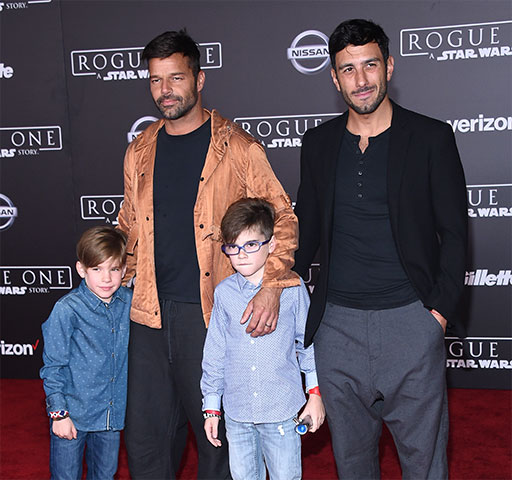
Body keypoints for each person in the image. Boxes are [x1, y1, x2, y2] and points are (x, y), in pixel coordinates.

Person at [117, 30, 299, 479]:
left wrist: (273, 285)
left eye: (176, 78)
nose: (165, 90)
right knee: (145, 443)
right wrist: (107, 275)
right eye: (156, 80)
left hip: (213, 313)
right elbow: (129, 226)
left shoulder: (238, 149)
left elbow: (283, 219)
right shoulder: (139, 151)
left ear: (199, 79)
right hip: (148, 314)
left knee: (217, 443)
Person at [294, 19, 467, 479]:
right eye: (348, 69)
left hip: (411, 321)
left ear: (389, 66)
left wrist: (436, 316)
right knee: (352, 465)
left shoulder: (430, 137)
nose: (361, 80)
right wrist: (273, 285)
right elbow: (305, 233)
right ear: (335, 78)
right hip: (336, 329)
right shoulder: (318, 144)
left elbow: (454, 234)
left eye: (370, 65)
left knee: (425, 465)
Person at [201, 198, 325, 480]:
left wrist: (315, 394)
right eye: (233, 247)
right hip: (237, 414)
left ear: (271, 245)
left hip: (281, 410)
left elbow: (308, 345)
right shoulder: (223, 293)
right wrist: (212, 407)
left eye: (251, 245)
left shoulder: (292, 288)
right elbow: (215, 353)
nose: (241, 255)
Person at [40, 226, 132, 480]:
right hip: (73, 414)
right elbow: (53, 366)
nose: (106, 278)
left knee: (105, 475)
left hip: (110, 416)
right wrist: (59, 414)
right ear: (81, 270)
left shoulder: (130, 303)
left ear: (124, 270)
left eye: (114, 269)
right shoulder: (67, 309)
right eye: (97, 269)